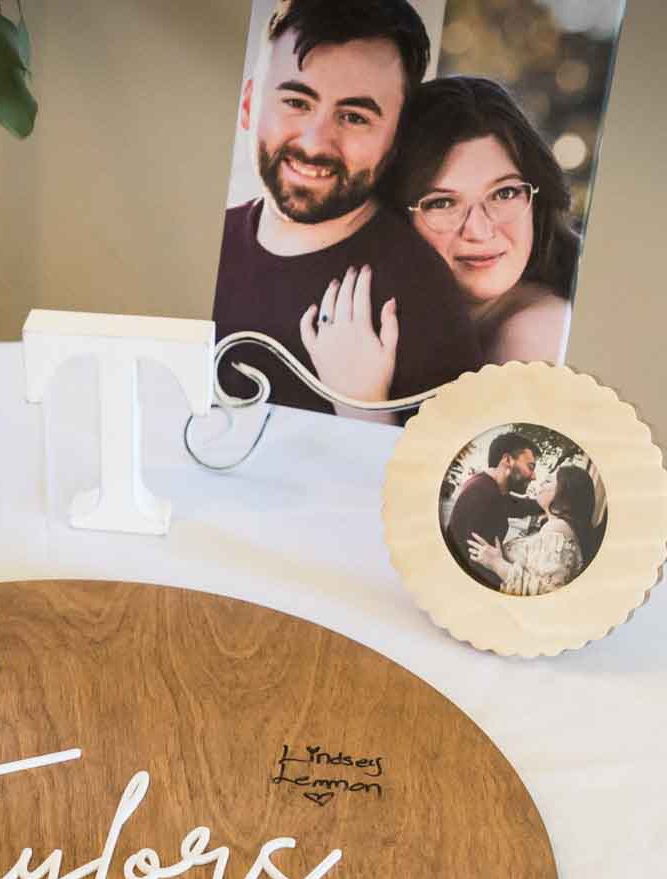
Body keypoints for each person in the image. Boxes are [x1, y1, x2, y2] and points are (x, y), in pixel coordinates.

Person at [212, 0, 483, 417]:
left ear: (397, 138)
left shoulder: (423, 299)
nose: (316, 143)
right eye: (296, 102)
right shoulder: (200, 243)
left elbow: (435, 480)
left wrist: (365, 408)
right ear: (248, 104)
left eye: (354, 117)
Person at [382, 76, 582, 364]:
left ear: (536, 200)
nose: (478, 230)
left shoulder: (535, 335)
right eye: (442, 202)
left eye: (504, 193)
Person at [467, 464, 597, 595]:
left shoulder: (557, 530)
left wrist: (496, 563)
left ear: (565, 493)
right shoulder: (557, 528)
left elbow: (547, 591)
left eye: (548, 481)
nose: (541, 484)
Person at [442, 428, 543, 589]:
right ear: (507, 460)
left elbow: (518, 506)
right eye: (530, 466)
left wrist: (548, 501)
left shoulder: (488, 487)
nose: (534, 476)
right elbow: (473, 566)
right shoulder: (483, 495)